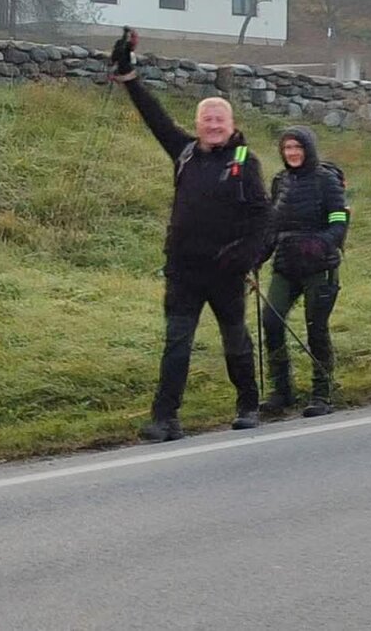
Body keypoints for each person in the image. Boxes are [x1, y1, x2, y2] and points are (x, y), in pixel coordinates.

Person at [110, 32, 270, 442]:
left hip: (226, 272)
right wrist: (128, 75)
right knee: (176, 344)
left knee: (235, 340)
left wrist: (246, 257)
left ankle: (248, 406)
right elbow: (155, 117)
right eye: (207, 120)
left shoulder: (245, 162)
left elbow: (262, 217)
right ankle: (165, 419)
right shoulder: (183, 152)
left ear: (231, 125)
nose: (213, 126)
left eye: (220, 120)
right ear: (198, 124)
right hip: (183, 271)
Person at [259, 126, 348, 418]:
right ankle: (281, 391)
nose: (292, 153)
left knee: (316, 327)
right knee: (271, 321)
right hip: (286, 265)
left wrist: (321, 243)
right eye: (287, 148)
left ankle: (322, 392)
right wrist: (255, 259)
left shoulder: (326, 180)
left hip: (319, 267)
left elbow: (339, 221)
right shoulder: (280, 181)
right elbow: (272, 227)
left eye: (297, 147)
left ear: (308, 149)